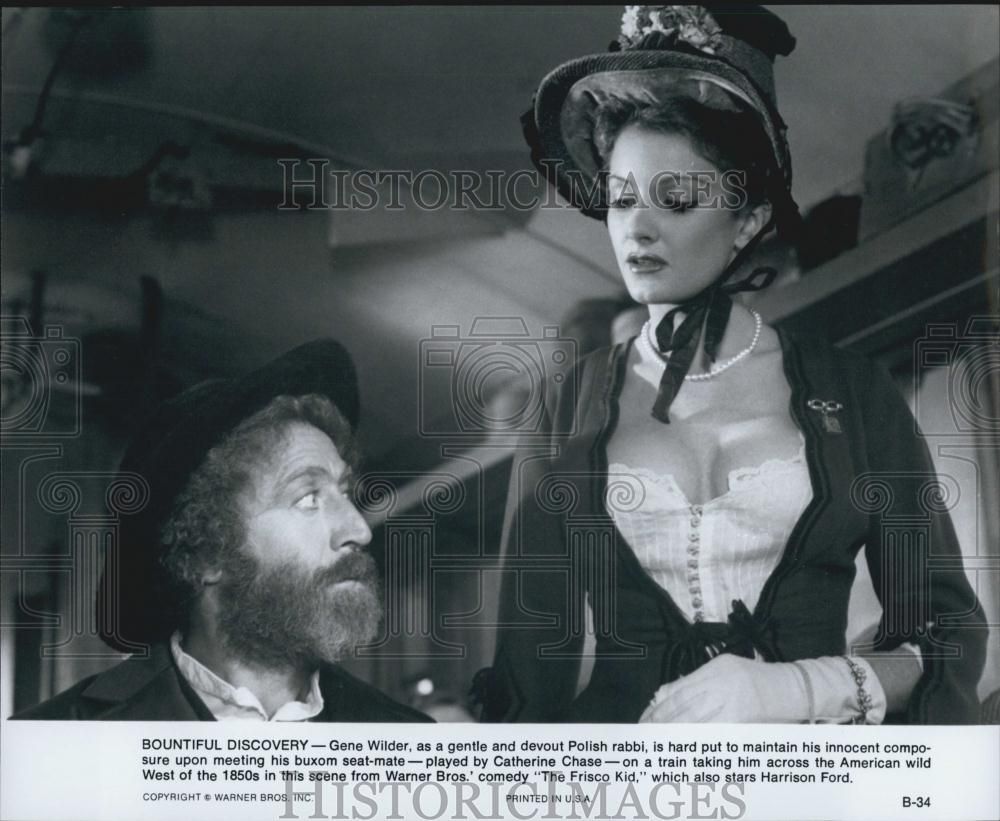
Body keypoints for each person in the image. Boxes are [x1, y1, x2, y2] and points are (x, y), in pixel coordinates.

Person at [481, 5, 986, 724]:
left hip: (807, 776)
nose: (637, 228)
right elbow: (527, 675)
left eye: (676, 199)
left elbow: (943, 636)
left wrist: (797, 688)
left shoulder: (855, 394)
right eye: (621, 199)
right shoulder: (562, 408)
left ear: (746, 221)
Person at [14, 339, 431, 722]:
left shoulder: (409, 738)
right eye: (308, 498)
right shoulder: (52, 740)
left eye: (345, 492)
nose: (359, 529)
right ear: (207, 552)